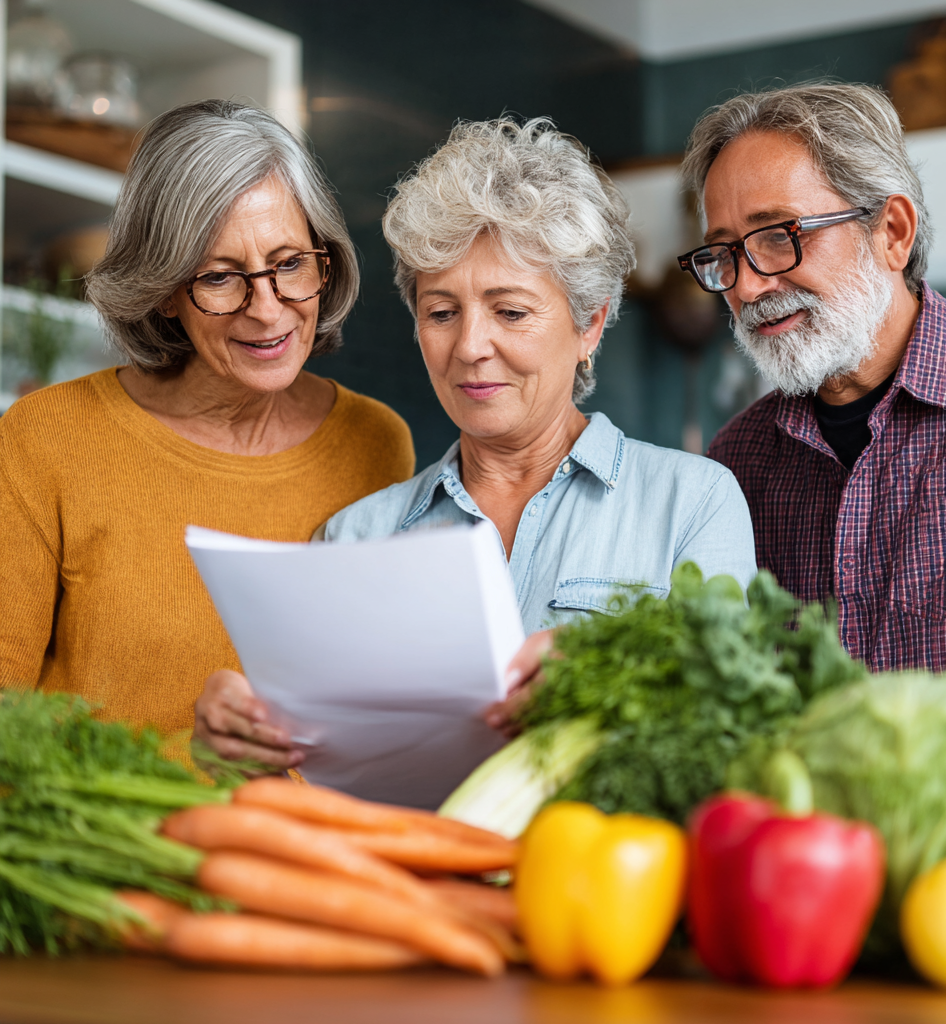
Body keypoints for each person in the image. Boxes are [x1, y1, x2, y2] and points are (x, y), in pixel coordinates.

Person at [195, 117, 758, 770]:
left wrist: (603, 674)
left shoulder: (693, 503)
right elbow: (309, 773)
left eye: (510, 311)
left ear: (590, 323)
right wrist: (237, 734)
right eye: (441, 313)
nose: (468, 347)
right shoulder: (356, 536)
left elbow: (731, 730)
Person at [0, 100, 414, 743]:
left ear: (322, 257)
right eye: (221, 278)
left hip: (307, 837)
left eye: (290, 264)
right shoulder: (43, 438)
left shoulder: (377, 442)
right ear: (164, 289)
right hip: (106, 833)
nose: (268, 310)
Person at [677, 82, 946, 688]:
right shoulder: (734, 466)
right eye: (725, 254)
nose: (749, 289)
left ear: (891, 231)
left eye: (780, 237)